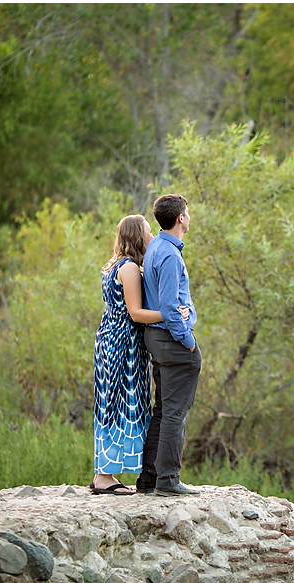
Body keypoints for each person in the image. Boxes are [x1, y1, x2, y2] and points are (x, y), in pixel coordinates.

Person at [91, 215, 189, 495]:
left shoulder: (113, 265)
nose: (152, 235)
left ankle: (104, 473)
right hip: (123, 343)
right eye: (148, 230)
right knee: (120, 406)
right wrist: (171, 315)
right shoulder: (130, 268)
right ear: (138, 235)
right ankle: (104, 477)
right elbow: (135, 313)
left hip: (110, 338)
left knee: (110, 405)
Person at [138, 193, 202, 496]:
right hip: (172, 341)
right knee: (175, 412)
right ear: (181, 218)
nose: (189, 216)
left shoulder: (156, 246)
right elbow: (168, 306)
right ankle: (168, 480)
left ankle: (149, 479)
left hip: (158, 339)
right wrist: (188, 341)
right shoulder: (170, 255)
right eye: (187, 212)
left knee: (162, 410)